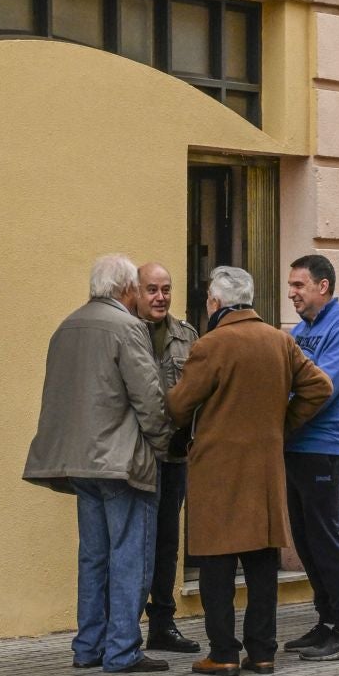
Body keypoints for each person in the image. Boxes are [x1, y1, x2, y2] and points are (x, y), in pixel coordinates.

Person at [166, 265, 332, 676]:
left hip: (217, 469)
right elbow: (320, 387)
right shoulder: (280, 341)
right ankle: (262, 652)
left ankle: (223, 651)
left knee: (217, 565)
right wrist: (282, 424)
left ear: (215, 302)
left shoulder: (211, 345)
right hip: (264, 468)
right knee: (261, 564)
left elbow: (178, 406)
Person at [22, 253, 172, 676]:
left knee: (93, 555)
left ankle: (88, 645)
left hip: (79, 461)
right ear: (126, 289)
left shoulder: (66, 327)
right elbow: (149, 397)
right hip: (121, 460)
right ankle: (122, 649)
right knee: (130, 554)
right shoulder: (127, 328)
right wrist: (161, 445)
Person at [283, 253, 339, 659]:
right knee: (305, 540)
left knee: (324, 537)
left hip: (325, 447)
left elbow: (323, 388)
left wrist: (280, 413)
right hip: (297, 446)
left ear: (323, 286)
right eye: (291, 285)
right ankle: (327, 621)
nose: (291, 293)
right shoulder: (302, 331)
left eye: (299, 285)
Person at [135, 260, 200, 655]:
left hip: (173, 458)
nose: (161, 297)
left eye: (166, 289)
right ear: (136, 292)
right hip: (135, 455)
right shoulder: (123, 332)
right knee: (133, 543)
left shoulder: (186, 336)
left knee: (166, 543)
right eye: (152, 290)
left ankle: (163, 622)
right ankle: (124, 625)